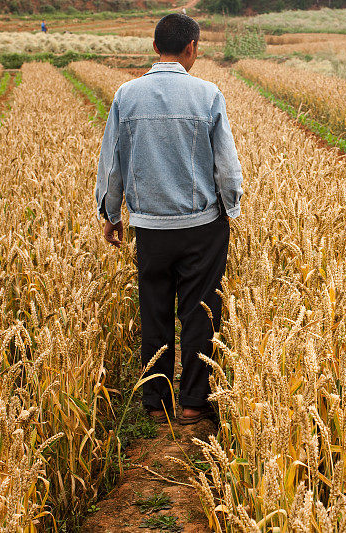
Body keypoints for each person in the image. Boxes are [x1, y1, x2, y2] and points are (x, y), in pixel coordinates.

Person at [94, 13, 243, 425]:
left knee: (154, 310)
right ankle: (194, 403)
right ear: (191, 47)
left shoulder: (127, 95)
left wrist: (111, 212)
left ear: (155, 46)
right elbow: (227, 167)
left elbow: (113, 163)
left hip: (151, 228)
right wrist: (231, 209)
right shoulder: (208, 94)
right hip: (202, 226)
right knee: (200, 312)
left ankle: (156, 404)